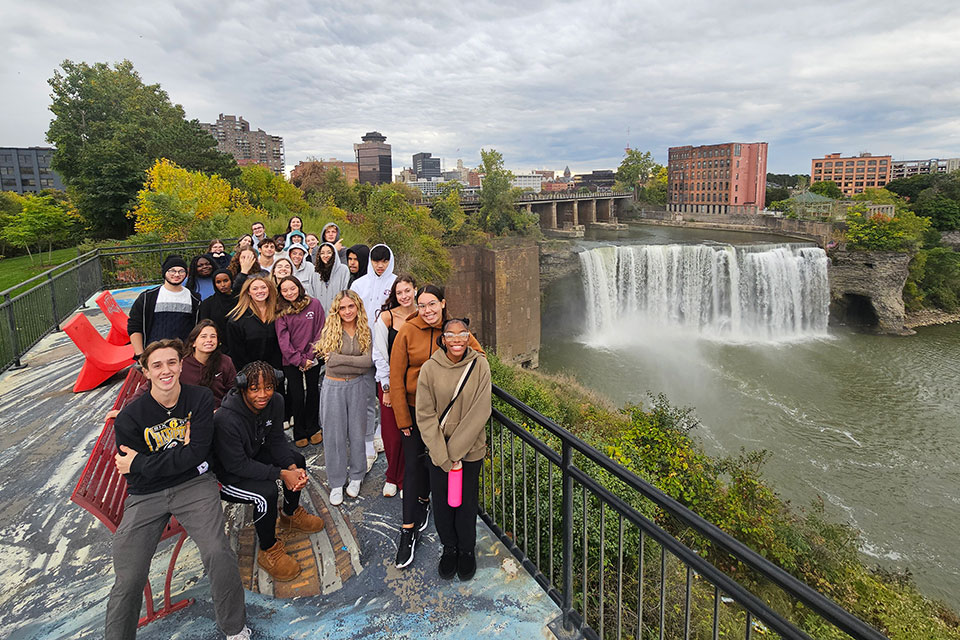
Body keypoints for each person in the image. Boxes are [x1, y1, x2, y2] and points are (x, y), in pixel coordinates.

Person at [106, 339, 248, 640]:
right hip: (146, 494)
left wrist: (144, 462)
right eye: (157, 365)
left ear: (182, 365)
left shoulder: (199, 398)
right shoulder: (131, 417)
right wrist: (174, 458)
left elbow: (196, 455)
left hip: (194, 484)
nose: (166, 370)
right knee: (129, 577)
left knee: (217, 552)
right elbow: (133, 474)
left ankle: (235, 628)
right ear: (145, 371)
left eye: (172, 362)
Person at [390, 284, 483, 569]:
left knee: (438, 476)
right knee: (414, 471)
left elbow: (477, 357)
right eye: (422, 305)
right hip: (416, 413)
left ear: (443, 304)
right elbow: (395, 376)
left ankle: (431, 511)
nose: (427, 310)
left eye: (432, 304)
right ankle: (408, 530)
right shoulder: (408, 331)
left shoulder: (453, 331)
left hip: (448, 417)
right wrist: (403, 419)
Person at [213, 361, 326, 582]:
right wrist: (282, 474)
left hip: (252, 455)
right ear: (243, 388)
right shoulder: (225, 419)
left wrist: (292, 469)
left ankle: (290, 515)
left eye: (268, 387)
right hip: (226, 474)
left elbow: (276, 441)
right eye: (254, 389)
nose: (262, 395)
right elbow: (238, 466)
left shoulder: (276, 401)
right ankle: (268, 549)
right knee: (266, 493)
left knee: (297, 458)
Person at [416, 318, 491, 581]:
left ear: (469, 336)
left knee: (467, 502)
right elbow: (424, 415)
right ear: (443, 339)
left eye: (463, 335)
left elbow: (481, 411)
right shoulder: (429, 369)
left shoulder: (480, 365)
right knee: (442, 502)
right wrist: (443, 456)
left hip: (469, 452)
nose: (457, 340)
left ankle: (466, 550)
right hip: (438, 452)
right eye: (451, 335)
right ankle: (449, 548)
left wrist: (455, 454)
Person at [314, 290, 373, 506]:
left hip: (357, 387)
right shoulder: (330, 329)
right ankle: (337, 482)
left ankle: (357, 476)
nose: (347, 311)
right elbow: (330, 365)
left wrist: (339, 358)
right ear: (336, 310)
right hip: (334, 387)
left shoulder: (365, 330)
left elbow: (367, 364)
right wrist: (347, 362)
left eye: (351, 306)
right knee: (334, 436)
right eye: (343, 307)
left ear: (358, 307)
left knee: (357, 433)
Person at [372, 275, 416, 497]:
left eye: (407, 291)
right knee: (392, 433)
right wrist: (387, 388)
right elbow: (379, 354)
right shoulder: (387, 317)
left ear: (415, 290)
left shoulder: (422, 315)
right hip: (391, 383)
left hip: (415, 384)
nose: (404, 296)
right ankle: (392, 475)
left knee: (412, 432)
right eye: (399, 293)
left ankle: (408, 476)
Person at [275, 276, 325, 447]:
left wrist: (310, 357)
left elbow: (320, 331)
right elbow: (283, 341)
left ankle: (313, 427)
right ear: (280, 293)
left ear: (299, 287)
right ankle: (300, 431)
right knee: (296, 395)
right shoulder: (281, 310)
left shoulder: (314, 304)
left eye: (292, 288)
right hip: (291, 360)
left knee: (313, 391)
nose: (290, 293)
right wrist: (299, 360)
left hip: (313, 357)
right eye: (285, 290)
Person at [127, 255, 201, 359]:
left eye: (181, 271)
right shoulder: (148, 297)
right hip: (153, 354)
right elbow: (135, 326)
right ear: (165, 272)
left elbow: (197, 329)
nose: (177, 274)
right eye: (172, 271)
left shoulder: (195, 299)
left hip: (184, 355)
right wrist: (140, 355)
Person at [226, 276, 282, 371]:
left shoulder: (279, 313)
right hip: (248, 373)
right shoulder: (237, 319)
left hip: (275, 372)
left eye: (263, 287)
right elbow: (236, 352)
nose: (260, 291)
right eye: (255, 288)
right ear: (248, 292)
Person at [182, 320, 237, 409]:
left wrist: (221, 411)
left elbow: (233, 392)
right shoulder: (182, 364)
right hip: (190, 414)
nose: (209, 340)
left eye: (213, 336)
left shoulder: (225, 361)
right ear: (193, 343)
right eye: (203, 336)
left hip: (219, 413)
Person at [312, 242, 350, 313]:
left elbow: (345, 290)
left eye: (329, 252)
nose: (325, 255)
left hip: (337, 312)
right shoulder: (315, 272)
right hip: (319, 313)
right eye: (322, 253)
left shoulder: (343, 270)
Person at [199, 269, 237, 338]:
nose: (223, 285)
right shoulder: (208, 303)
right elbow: (204, 325)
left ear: (231, 281)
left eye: (225, 281)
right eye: (218, 282)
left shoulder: (240, 300)